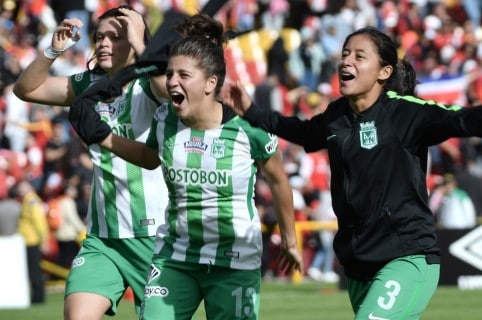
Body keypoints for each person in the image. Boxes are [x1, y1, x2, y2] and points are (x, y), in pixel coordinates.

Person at [222, 26, 482, 319]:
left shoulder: (405, 113)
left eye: (360, 56)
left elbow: (462, 120)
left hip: (408, 256)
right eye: (345, 54)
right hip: (358, 264)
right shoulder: (336, 116)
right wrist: (252, 112)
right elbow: (305, 132)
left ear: (383, 72)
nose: (347, 61)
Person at [69, 13, 303, 320]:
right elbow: (148, 158)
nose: (172, 82)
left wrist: (289, 240)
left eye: (183, 75)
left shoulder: (250, 126)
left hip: (233, 261)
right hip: (175, 258)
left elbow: (278, 179)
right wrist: (103, 137)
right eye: (170, 74)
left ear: (211, 83)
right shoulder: (165, 118)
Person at [13, 6, 169, 319]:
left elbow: (171, 91)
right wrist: (53, 49)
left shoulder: (152, 84)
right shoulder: (88, 85)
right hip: (103, 239)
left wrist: (141, 46)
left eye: (116, 37)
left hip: (157, 239)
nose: (105, 43)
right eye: (100, 37)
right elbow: (26, 89)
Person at [14, 179, 49, 304]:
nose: (20, 189)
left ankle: (38, 298)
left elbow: (39, 221)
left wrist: (43, 240)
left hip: (32, 240)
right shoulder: (26, 200)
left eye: (23, 186)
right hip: (28, 240)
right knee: (32, 270)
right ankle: (36, 297)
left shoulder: (32, 201)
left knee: (35, 271)